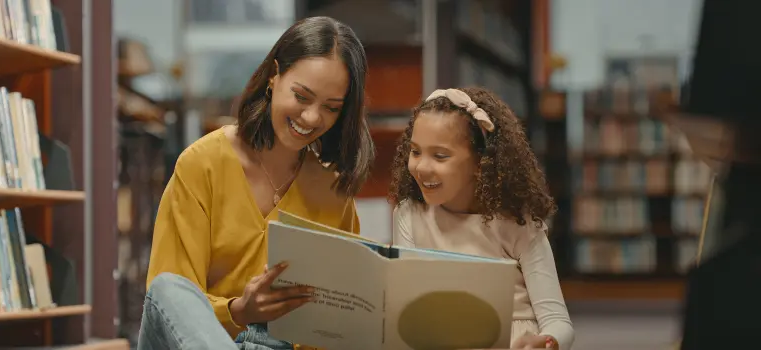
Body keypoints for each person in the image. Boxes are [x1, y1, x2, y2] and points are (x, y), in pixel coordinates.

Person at [138, 16, 375, 350]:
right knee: (167, 288)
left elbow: (336, 326)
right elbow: (170, 311)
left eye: (331, 108)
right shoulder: (202, 164)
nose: (311, 117)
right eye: (302, 96)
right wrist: (239, 311)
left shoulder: (334, 194)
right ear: (274, 75)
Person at [388, 87, 574, 350]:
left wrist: (546, 342)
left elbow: (558, 322)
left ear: (480, 163)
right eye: (415, 151)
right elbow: (410, 306)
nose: (421, 167)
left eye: (440, 156)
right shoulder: (409, 215)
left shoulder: (518, 224)